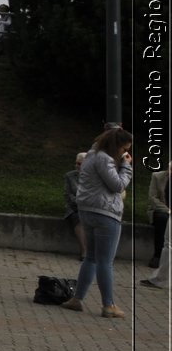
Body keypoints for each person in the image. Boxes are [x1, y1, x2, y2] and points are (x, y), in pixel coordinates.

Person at [61, 126, 135, 319]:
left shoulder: (92, 155)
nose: (125, 153)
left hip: (87, 211)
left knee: (91, 258)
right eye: (124, 149)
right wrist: (127, 167)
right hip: (106, 212)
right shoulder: (104, 158)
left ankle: (77, 299)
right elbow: (117, 185)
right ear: (115, 145)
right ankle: (108, 305)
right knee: (105, 261)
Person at [148, 166, 169, 272]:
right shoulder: (157, 176)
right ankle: (157, 256)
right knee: (162, 219)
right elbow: (153, 198)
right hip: (161, 210)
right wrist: (168, 210)